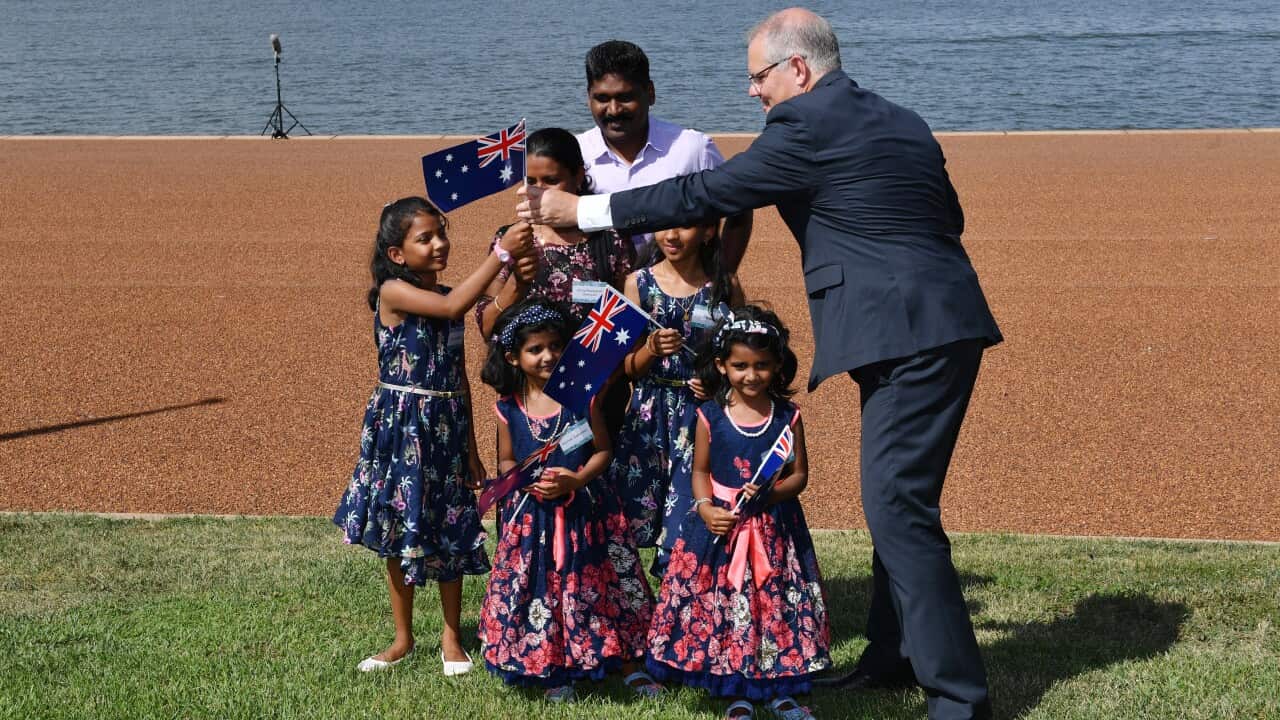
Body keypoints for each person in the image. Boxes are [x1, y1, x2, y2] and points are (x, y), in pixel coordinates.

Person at [517, 9, 1002, 719]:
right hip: (934, 323)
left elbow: (706, 194)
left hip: (905, 333)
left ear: (798, 70)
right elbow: (945, 219)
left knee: (897, 506)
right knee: (899, 501)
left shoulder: (805, 125)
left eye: (758, 77)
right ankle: (893, 656)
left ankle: (958, 699)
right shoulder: (903, 120)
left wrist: (582, 211)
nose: (753, 93)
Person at [333, 197, 533, 674]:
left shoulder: (449, 294)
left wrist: (470, 449)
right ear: (397, 253)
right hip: (403, 427)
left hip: (445, 425)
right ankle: (403, 638)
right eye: (426, 237)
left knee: (452, 526)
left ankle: (450, 635)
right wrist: (500, 254)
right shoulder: (393, 292)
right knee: (402, 527)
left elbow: (459, 374)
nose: (439, 243)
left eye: (441, 233)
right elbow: (450, 305)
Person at [646, 305, 830, 720]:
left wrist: (771, 493)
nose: (752, 375)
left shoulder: (788, 417)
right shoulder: (709, 415)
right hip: (719, 531)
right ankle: (734, 690)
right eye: (741, 365)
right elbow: (699, 471)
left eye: (762, 365)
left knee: (774, 605)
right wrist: (705, 507)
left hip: (773, 530)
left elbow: (799, 475)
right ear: (721, 366)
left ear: (778, 365)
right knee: (725, 607)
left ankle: (781, 686)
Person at [477, 300, 661, 703]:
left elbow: (602, 452)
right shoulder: (508, 408)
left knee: (605, 586)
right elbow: (506, 458)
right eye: (535, 349)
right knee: (544, 588)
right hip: (535, 519)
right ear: (513, 357)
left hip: (590, 513)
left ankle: (629, 663)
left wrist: (576, 478)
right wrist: (525, 480)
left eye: (555, 346)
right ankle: (553, 667)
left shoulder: (584, 396)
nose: (547, 356)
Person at [610, 221, 744, 574]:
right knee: (635, 510)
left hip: (699, 419)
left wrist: (715, 384)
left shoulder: (725, 287)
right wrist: (651, 349)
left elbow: (739, 359)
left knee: (687, 511)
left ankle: (680, 601)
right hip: (648, 416)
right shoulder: (637, 284)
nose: (671, 235)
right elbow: (626, 367)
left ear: (708, 232)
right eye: (664, 226)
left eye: (685, 226)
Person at [578, 40, 753, 269]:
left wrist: (724, 274)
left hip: (677, 296)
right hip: (603, 300)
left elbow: (739, 206)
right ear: (588, 97)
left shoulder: (692, 148)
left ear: (650, 93)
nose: (613, 110)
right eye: (602, 98)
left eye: (625, 97)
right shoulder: (575, 153)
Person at [475, 127, 635, 339]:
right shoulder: (513, 239)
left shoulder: (610, 240)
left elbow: (628, 321)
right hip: (524, 369)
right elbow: (488, 327)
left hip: (588, 367)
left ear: (578, 176)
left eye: (551, 181)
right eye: (530, 181)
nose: (537, 191)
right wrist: (517, 283)